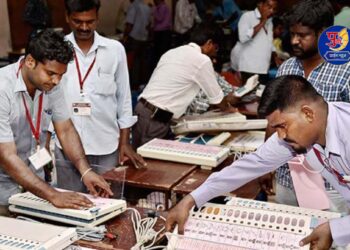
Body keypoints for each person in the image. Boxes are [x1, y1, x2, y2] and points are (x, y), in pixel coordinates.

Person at [167, 75, 350, 248]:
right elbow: (251, 165)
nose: (280, 136)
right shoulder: (298, 135)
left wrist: (335, 229)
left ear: (308, 114)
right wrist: (192, 199)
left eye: (282, 126)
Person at [0, 29, 113, 216]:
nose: (56, 80)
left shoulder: (51, 85)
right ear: (30, 61)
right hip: (4, 191)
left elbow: (66, 129)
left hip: (36, 187)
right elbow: (6, 156)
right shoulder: (3, 89)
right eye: (51, 73)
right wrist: (53, 195)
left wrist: (86, 171)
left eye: (61, 75)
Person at [48, 0, 146, 193]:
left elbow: (124, 98)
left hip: (106, 145)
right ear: (67, 18)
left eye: (90, 21)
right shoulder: (56, 49)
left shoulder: (114, 50)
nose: (84, 27)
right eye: (77, 21)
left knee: (108, 204)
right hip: (66, 146)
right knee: (70, 203)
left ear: (97, 18)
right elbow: (46, 98)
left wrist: (124, 142)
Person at [273, 0, 350, 210]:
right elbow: (274, 120)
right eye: (292, 34)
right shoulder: (286, 68)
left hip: (330, 184)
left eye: (303, 35)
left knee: (329, 239)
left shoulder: (345, 72)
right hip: (287, 178)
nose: (295, 41)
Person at [132, 23, 238, 149]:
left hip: (141, 111)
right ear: (209, 43)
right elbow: (217, 99)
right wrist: (230, 110)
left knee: (138, 160)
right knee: (150, 164)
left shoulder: (173, 52)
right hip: (155, 119)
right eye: (216, 49)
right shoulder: (201, 60)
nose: (215, 55)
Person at [230, 0, 277, 84]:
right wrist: (262, 22)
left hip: (263, 68)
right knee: (248, 95)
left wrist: (275, 56)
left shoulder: (270, 22)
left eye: (274, 8)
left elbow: (269, 42)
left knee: (260, 94)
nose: (272, 11)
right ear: (260, 4)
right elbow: (243, 38)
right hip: (249, 68)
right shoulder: (247, 16)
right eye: (269, 7)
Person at [124, 0, 152, 90]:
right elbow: (149, 24)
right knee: (142, 62)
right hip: (144, 38)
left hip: (134, 38)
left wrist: (124, 37)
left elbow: (129, 24)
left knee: (132, 62)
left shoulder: (133, 6)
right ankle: (142, 84)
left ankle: (133, 85)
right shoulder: (147, 7)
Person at [152, 0, 172, 65]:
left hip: (161, 32)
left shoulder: (162, 7)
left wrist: (153, 9)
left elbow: (159, 18)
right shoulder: (164, 7)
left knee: (159, 52)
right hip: (163, 32)